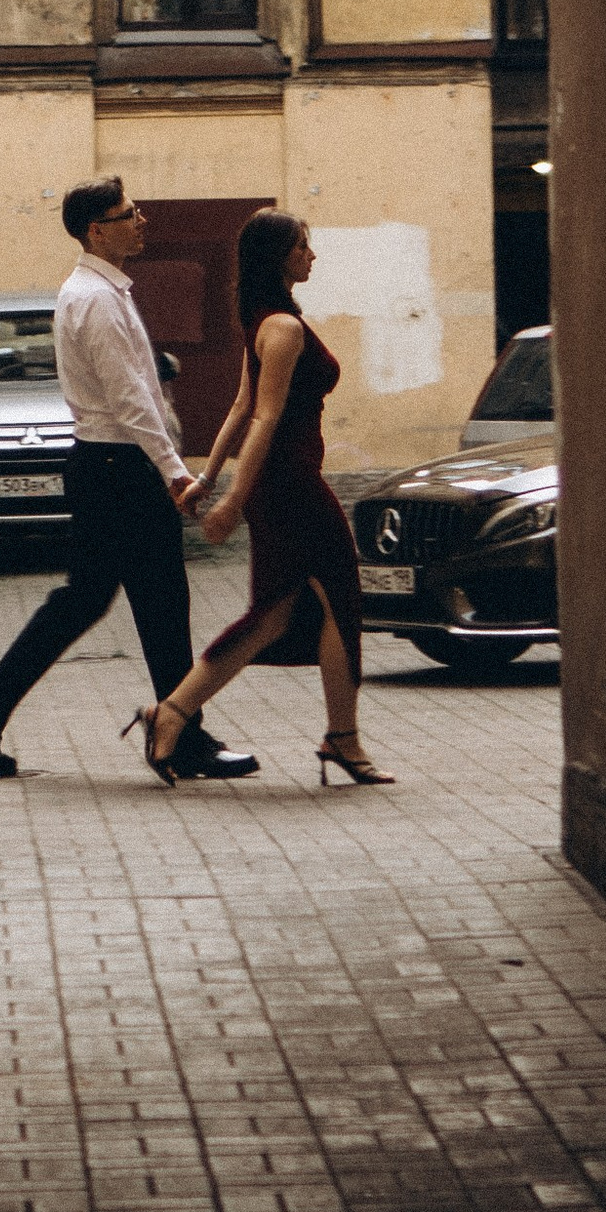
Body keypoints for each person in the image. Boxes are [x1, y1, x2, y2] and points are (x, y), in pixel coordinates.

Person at [0, 179, 259, 781]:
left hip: (103, 465)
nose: (142, 219)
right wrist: (174, 473)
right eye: (128, 214)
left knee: (89, 599)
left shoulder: (98, 291)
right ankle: (180, 734)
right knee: (159, 599)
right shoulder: (95, 299)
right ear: (97, 230)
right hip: (121, 469)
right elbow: (132, 398)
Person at [140, 209, 393, 787]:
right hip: (291, 483)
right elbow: (265, 416)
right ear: (282, 256)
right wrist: (230, 496)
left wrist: (208, 479)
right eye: (305, 246)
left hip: (280, 483)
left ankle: (172, 714)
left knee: (277, 613)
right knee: (333, 601)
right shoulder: (283, 327)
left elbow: (239, 406)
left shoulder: (266, 318)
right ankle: (341, 738)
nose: (312, 256)